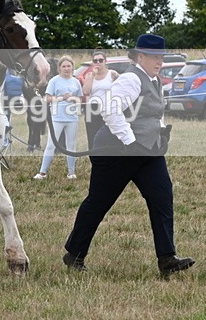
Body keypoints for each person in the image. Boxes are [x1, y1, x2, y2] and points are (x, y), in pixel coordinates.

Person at [61, 34, 195, 278]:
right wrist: (130, 141)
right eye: (155, 57)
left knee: (162, 196)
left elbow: (152, 114)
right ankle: (74, 253)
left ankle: (167, 258)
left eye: (162, 57)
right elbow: (110, 109)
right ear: (140, 56)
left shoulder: (153, 80)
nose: (159, 61)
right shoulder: (132, 78)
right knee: (99, 202)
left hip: (147, 151)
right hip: (118, 151)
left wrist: (158, 134)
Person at [33, 56, 82, 180]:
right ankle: (42, 172)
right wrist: (61, 98)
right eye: (63, 66)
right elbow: (48, 98)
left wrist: (72, 98)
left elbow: (80, 99)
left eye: (68, 66)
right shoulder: (54, 81)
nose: (66, 68)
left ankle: (71, 172)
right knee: (51, 145)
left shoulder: (76, 82)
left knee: (71, 145)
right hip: (57, 118)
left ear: (72, 67)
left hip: (72, 118)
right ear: (59, 68)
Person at [82, 51, 120, 149]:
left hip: (108, 107)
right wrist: (92, 75)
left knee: (107, 136)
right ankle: (94, 158)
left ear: (105, 61)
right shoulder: (90, 75)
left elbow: (121, 88)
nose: (98, 62)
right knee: (92, 136)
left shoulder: (112, 74)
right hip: (93, 108)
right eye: (95, 60)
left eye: (100, 60)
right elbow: (86, 91)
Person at [2, 69, 25, 148]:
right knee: (6, 120)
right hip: (10, 100)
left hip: (5, 100)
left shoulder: (7, 72)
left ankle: (4, 139)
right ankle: (4, 138)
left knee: (5, 120)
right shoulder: (18, 72)